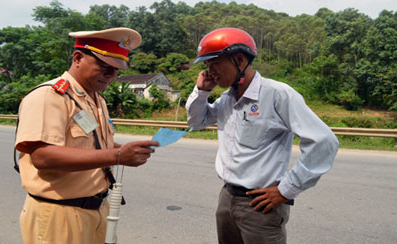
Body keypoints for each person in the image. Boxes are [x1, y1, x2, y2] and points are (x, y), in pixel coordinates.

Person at [186, 27, 339, 244]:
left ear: (239, 60)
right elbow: (196, 121)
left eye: (214, 64)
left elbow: (324, 142)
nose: (210, 72)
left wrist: (287, 190)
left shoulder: (277, 94)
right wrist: (202, 92)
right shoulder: (228, 99)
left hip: (260, 205)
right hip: (227, 197)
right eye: (207, 66)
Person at [15, 27, 160, 244]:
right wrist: (117, 156)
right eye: (104, 67)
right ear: (78, 58)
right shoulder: (50, 96)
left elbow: (95, 147)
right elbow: (43, 157)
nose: (110, 76)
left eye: (116, 70)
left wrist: (128, 150)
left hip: (97, 210)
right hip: (59, 214)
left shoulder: (96, 99)